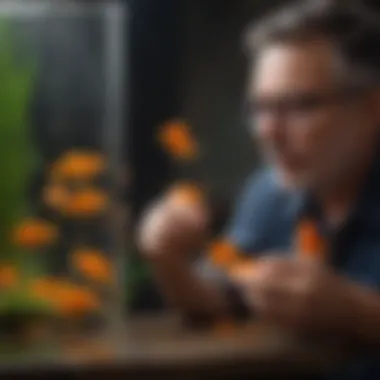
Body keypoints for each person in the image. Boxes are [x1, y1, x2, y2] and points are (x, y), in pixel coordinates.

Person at [138, 1, 380, 378]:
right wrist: (169, 262)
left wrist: (359, 312)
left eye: (298, 106)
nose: (268, 132)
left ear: (371, 107)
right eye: (259, 108)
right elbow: (220, 301)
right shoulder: (269, 192)